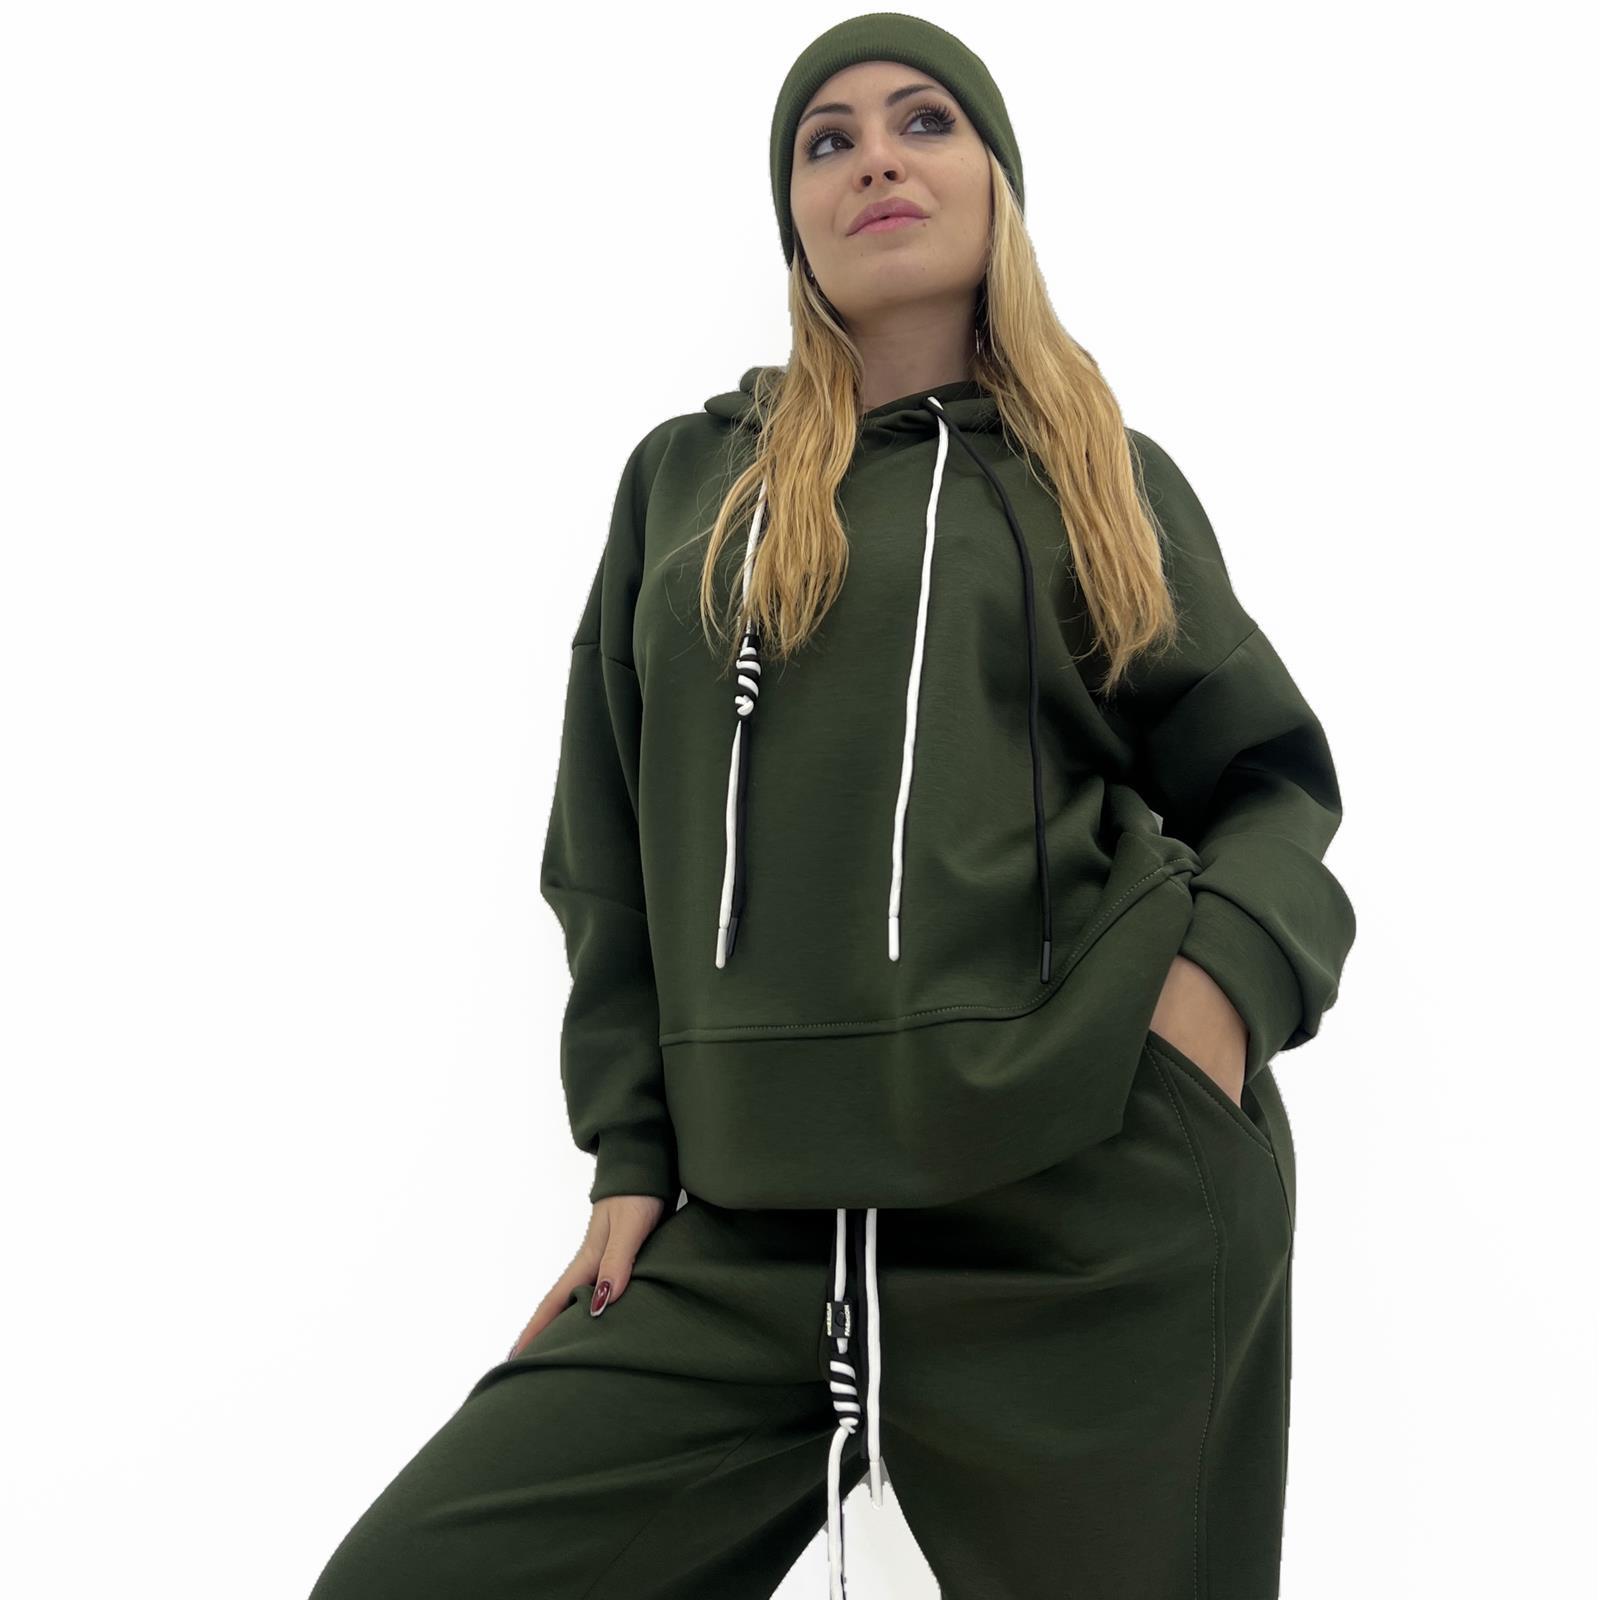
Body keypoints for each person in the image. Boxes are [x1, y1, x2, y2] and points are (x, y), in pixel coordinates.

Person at [307, 13, 1356, 1599]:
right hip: (750, 1230)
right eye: (828, 138)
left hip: (1080, 1209)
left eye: (925, 121)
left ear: (998, 184)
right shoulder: (691, 485)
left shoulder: (1101, 480)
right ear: (792, 213)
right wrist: (630, 1157)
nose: (875, 157)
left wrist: (1203, 1019)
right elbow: (606, 846)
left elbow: (1267, 784)